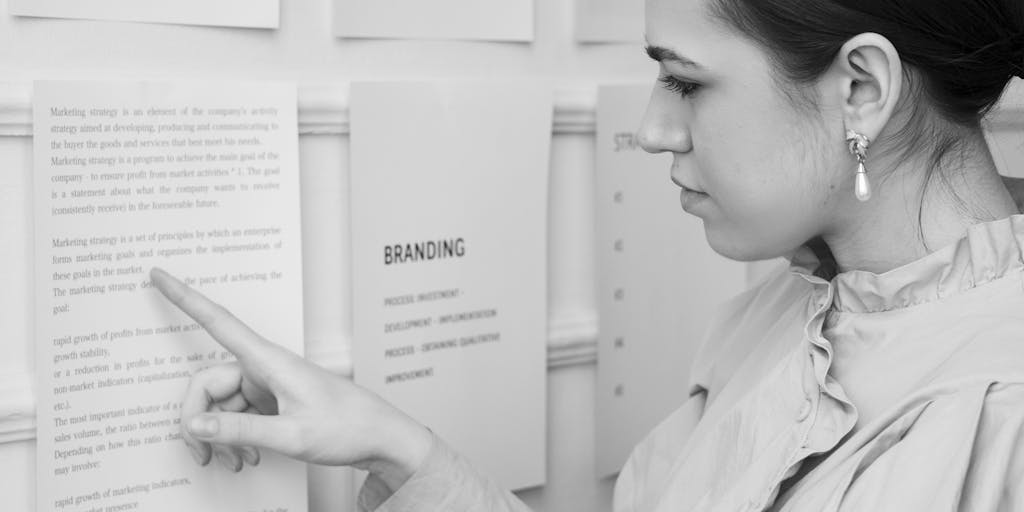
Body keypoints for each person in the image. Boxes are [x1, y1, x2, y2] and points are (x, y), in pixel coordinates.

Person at [149, 0, 1024, 509]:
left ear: (861, 90)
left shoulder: (1004, 420)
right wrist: (395, 447)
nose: (648, 129)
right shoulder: (763, 323)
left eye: (684, 81)